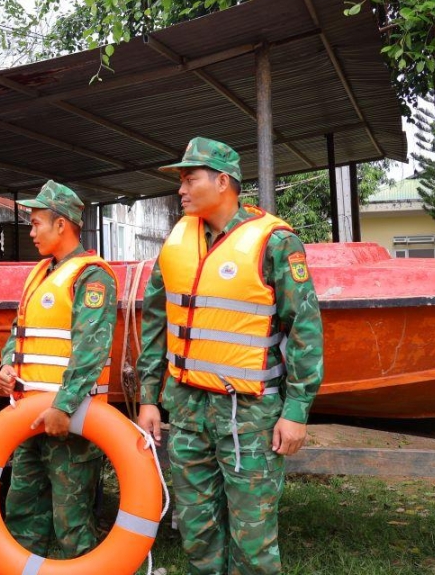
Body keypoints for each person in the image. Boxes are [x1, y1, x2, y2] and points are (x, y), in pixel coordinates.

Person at [136, 137, 324, 575]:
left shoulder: (275, 242)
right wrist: (148, 397)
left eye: (189, 179)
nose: (180, 190)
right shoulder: (176, 242)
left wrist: (296, 410)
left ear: (223, 182)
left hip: (250, 414)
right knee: (197, 530)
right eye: (180, 181)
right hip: (185, 409)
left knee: (252, 538)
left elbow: (305, 329)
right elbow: (155, 324)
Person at [0, 180, 117, 558]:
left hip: (70, 418)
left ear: (61, 225)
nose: (30, 233)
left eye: (36, 224)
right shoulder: (39, 273)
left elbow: (90, 349)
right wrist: (5, 365)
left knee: (71, 520)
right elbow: (21, 331)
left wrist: (63, 406)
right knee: (22, 509)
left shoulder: (92, 276)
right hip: (29, 414)